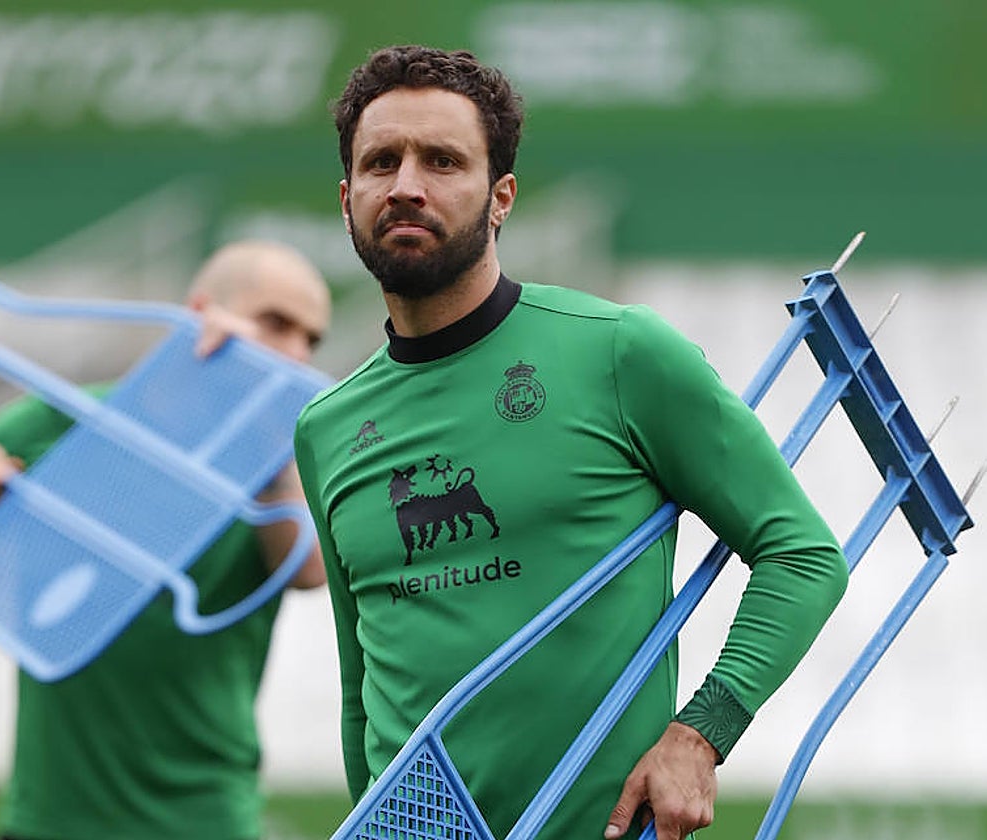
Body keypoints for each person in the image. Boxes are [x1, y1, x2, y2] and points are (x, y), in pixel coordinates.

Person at [291, 45, 850, 840]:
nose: (407, 185)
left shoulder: (620, 353)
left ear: (501, 197)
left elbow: (802, 555)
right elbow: (361, 687)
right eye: (382, 162)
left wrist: (700, 735)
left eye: (443, 160)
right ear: (349, 197)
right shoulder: (326, 428)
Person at [0, 239, 332, 840]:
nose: (296, 353)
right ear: (202, 311)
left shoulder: (278, 462)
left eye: (311, 339)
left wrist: (271, 443)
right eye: (276, 323)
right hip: (50, 818)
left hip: (206, 819)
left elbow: (306, 570)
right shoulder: (77, 417)